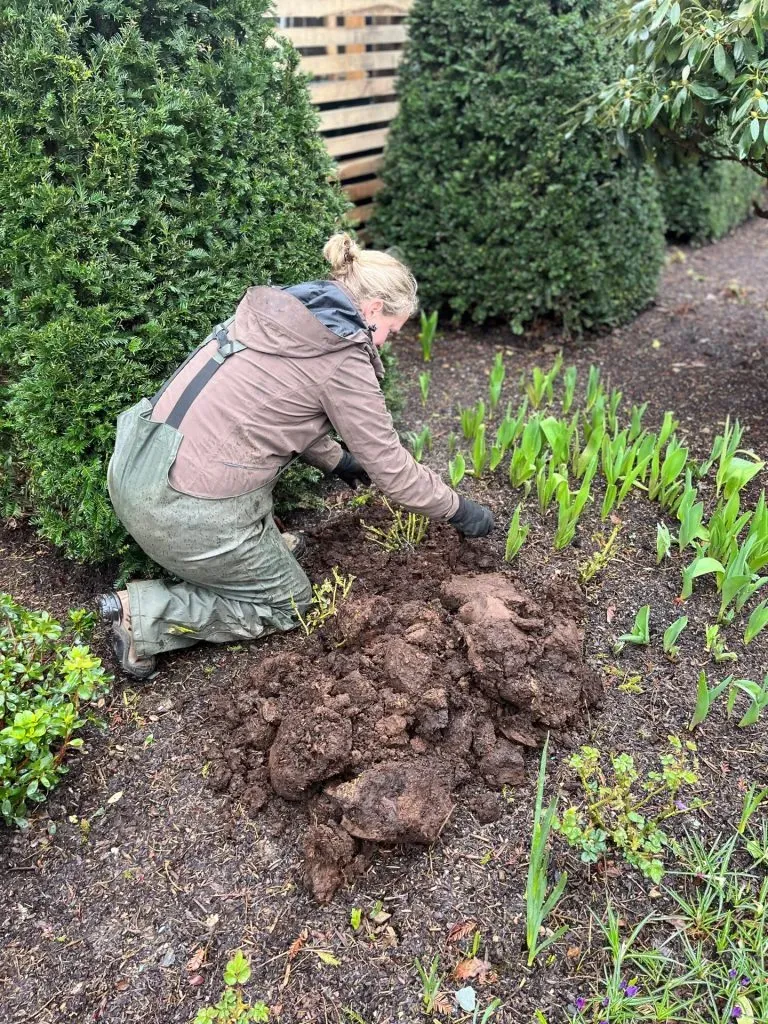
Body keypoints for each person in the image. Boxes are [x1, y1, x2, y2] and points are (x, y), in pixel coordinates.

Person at [98, 233, 494, 678]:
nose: (384, 343)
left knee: (248, 491)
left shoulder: (283, 317)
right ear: (373, 310)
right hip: (183, 512)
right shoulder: (340, 354)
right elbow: (391, 468)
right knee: (287, 603)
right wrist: (460, 510)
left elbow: (270, 409)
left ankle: (250, 554)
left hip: (135, 469)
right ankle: (143, 616)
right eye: (389, 332)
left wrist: (336, 460)